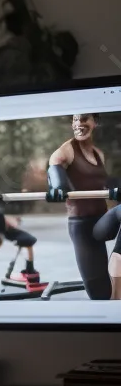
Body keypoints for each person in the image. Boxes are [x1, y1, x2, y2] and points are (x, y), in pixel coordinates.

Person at [47, 113, 112, 300]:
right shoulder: (65, 151)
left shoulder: (99, 154)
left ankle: (117, 263)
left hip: (103, 222)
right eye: (75, 120)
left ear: (95, 123)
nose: (79, 124)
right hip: (82, 227)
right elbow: (54, 169)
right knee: (100, 294)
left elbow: (105, 184)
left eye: (84, 119)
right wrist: (58, 187)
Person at [0, 198, 39, 281]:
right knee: (29, 241)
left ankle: (29, 268)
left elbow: (6, 223)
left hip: (14, 232)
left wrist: (14, 221)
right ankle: (27, 269)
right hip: (10, 234)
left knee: (30, 242)